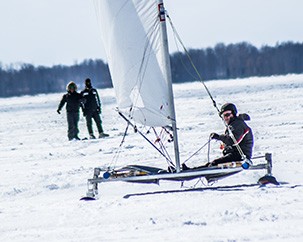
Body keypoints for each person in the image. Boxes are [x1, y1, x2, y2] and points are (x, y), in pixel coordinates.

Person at [183, 103, 254, 170]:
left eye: (227, 115)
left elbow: (233, 141)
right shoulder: (234, 124)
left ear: (233, 114)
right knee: (212, 164)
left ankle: (191, 172)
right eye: (224, 116)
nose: (225, 118)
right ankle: (191, 170)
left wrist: (219, 137)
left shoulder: (238, 124)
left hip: (240, 157)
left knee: (214, 164)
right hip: (235, 155)